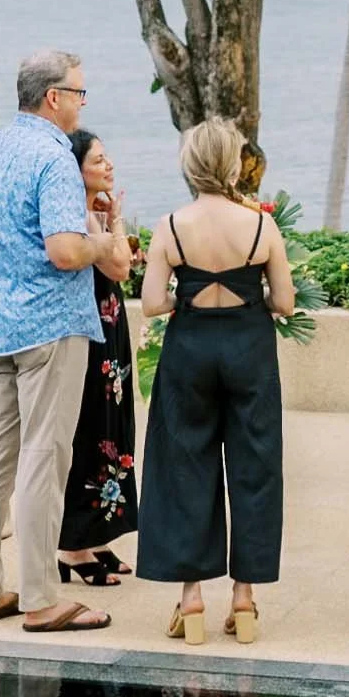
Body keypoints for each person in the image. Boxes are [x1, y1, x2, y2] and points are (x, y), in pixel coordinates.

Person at [0, 49, 133, 636]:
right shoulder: (53, 157)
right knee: (47, 458)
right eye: (78, 92)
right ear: (53, 97)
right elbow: (66, 251)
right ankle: (44, 597)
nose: (80, 102)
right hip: (50, 327)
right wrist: (102, 239)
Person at [135, 117, 295, 644]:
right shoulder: (260, 226)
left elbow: (154, 302)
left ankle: (192, 599)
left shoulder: (172, 226)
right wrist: (251, 300)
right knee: (255, 467)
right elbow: (287, 303)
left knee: (185, 465)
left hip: (190, 351)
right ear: (231, 164)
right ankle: (245, 599)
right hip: (250, 347)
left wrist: (190, 292)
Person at [57, 128, 139, 587]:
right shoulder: (80, 218)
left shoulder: (93, 214)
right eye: (98, 161)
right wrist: (118, 222)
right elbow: (121, 266)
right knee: (91, 431)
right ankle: (73, 545)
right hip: (91, 333)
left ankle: (98, 534)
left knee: (112, 427)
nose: (108, 166)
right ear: (77, 170)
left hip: (110, 329)